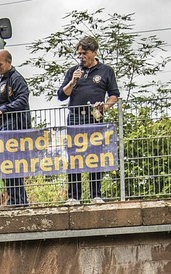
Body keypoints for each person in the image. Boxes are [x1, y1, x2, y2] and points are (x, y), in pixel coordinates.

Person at [57, 36, 120, 204]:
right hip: (75, 118)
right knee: (74, 156)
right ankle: (74, 196)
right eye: (79, 53)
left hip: (94, 117)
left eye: (84, 53)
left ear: (94, 52)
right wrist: (72, 81)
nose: (81, 56)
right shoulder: (73, 71)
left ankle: (95, 194)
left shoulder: (106, 71)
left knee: (95, 155)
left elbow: (114, 94)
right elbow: (61, 95)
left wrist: (105, 106)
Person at [0, 49, 32, 206]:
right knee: (6, 165)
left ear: (9, 62)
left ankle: (18, 201)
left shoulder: (17, 79)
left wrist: (2, 110)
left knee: (13, 164)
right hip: (2, 126)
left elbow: (23, 100)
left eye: (0, 64)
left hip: (14, 126)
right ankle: (15, 200)